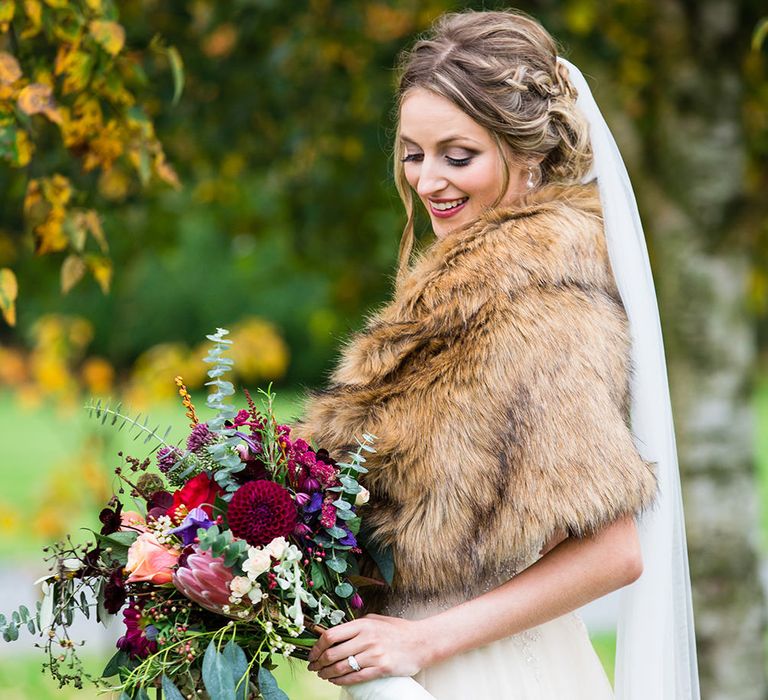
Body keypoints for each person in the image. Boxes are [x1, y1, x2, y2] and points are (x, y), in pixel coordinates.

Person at [300, 9, 699, 699]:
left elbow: (614, 553)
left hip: (496, 675)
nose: (428, 181)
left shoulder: (546, 310)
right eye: (412, 153)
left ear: (531, 155)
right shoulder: (454, 302)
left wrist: (422, 640)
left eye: (458, 155)